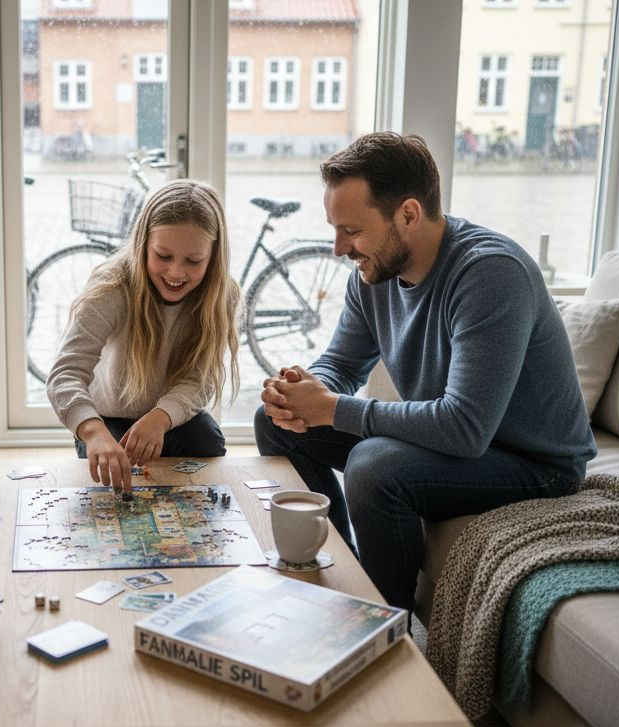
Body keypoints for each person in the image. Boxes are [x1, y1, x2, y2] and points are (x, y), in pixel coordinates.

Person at [255, 132, 596, 611]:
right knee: (274, 420)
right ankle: (346, 575)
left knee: (376, 466)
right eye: (335, 229)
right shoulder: (374, 272)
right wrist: (302, 392)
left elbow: (464, 429)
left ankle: (383, 621)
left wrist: (330, 408)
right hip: (455, 442)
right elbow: (341, 363)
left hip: (532, 465)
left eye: (351, 230)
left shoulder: (491, 274)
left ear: (408, 215)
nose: (338, 248)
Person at [47, 179, 241, 491]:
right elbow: (65, 374)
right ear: (142, 245)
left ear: (214, 256)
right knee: (113, 469)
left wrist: (161, 417)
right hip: (107, 419)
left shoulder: (222, 296)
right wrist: (93, 431)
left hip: (170, 418)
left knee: (207, 439)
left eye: (193, 261)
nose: (176, 273)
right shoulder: (111, 288)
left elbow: (199, 380)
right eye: (163, 256)